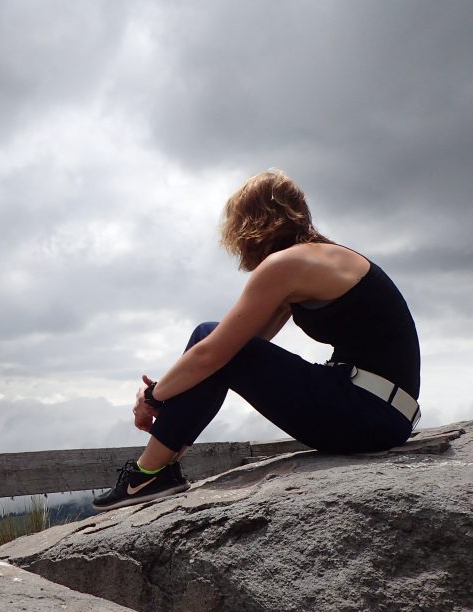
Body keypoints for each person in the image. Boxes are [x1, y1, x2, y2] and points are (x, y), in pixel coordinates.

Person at [93, 170, 421, 511]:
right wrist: (166, 391)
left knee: (208, 333)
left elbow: (213, 352)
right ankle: (159, 467)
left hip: (367, 413)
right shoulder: (319, 257)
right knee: (216, 348)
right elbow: (230, 358)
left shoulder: (284, 265)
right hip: (383, 413)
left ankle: (147, 473)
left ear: (250, 224)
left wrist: (151, 397)